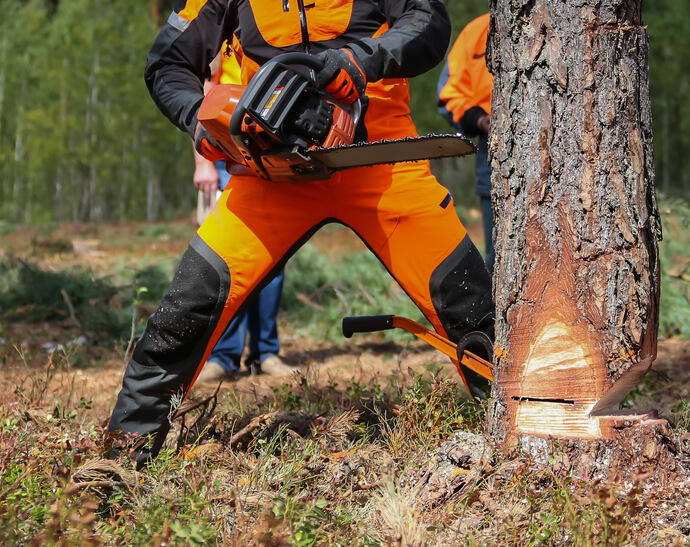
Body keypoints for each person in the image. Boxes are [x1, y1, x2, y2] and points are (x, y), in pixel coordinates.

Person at [108, 0, 494, 466]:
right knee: (184, 313)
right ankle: (120, 461)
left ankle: (532, 435)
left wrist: (360, 60)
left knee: (468, 302)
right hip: (270, 170)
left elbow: (428, 21)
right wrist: (199, 119)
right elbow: (168, 63)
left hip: (379, 157)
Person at [192, 50, 293, 383]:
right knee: (231, 256)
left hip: (274, 148)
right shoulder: (223, 18)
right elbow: (205, 96)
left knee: (273, 256)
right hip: (228, 152)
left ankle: (266, 352)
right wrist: (204, 163)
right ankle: (224, 355)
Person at [437, 13, 494, 269]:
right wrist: (481, 120)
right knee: (500, 257)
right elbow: (450, 94)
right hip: (495, 151)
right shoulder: (477, 32)